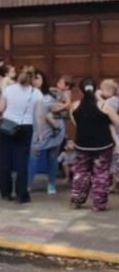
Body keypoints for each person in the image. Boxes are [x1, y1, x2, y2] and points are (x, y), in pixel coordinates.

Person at [69, 78, 119, 212]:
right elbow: (117, 122)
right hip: (103, 145)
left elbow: (76, 124)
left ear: (80, 90)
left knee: (80, 172)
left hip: (82, 145)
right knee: (101, 174)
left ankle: (76, 200)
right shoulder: (104, 106)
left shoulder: (74, 105)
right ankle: (99, 203)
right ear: (96, 88)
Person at [0, 66, 41, 203]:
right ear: (32, 78)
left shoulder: (9, 90)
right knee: (22, 161)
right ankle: (22, 194)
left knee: (5, 160)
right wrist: (40, 132)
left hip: (8, 126)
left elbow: (0, 108)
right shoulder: (36, 93)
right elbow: (39, 115)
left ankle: (5, 192)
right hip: (26, 127)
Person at [28, 70, 66, 195]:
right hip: (36, 128)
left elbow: (61, 108)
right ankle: (28, 183)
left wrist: (62, 105)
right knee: (33, 155)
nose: (35, 81)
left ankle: (51, 183)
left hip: (54, 127)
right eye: (32, 78)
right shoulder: (27, 93)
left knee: (52, 157)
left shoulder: (51, 93)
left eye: (37, 78)